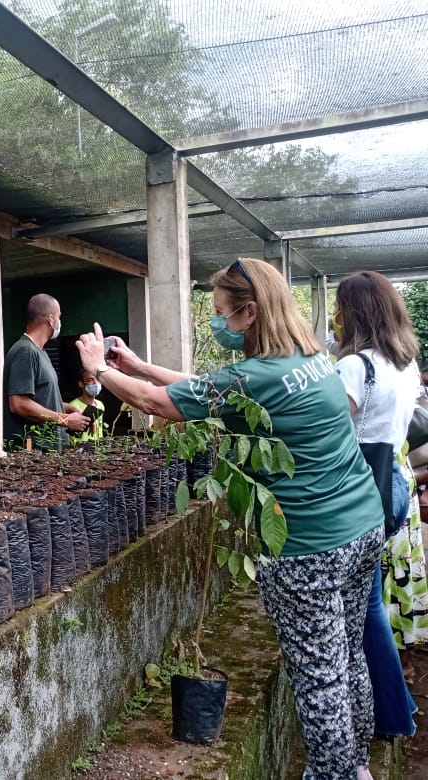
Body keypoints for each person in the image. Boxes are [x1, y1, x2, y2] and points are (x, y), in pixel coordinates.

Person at [76, 258, 384, 780]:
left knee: (319, 676)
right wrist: (138, 365)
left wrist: (99, 369)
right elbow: (209, 390)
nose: (218, 322)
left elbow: (159, 405)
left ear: (251, 312)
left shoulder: (258, 374)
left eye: (222, 313)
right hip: (362, 525)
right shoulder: (307, 358)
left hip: (309, 547)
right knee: (349, 656)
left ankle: (334, 774)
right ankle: (355, 765)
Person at [334, 270, 421, 738]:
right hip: (395, 485)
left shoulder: (356, 367)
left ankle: (393, 713)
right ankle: (398, 704)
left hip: (362, 489)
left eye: (339, 307)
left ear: (355, 313)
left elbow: (324, 426)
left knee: (364, 608)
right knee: (369, 600)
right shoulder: (405, 363)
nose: (335, 316)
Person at [4, 293, 88, 450]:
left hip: (49, 449)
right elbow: (19, 404)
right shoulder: (25, 351)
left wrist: (66, 408)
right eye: (59, 316)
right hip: (34, 450)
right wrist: (65, 420)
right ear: (51, 319)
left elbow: (41, 400)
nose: (59, 322)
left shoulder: (40, 352)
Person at [66, 368, 105, 443]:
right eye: (90, 380)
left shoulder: (100, 405)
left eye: (98, 380)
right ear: (81, 384)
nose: (95, 383)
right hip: (79, 447)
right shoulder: (73, 406)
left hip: (97, 446)